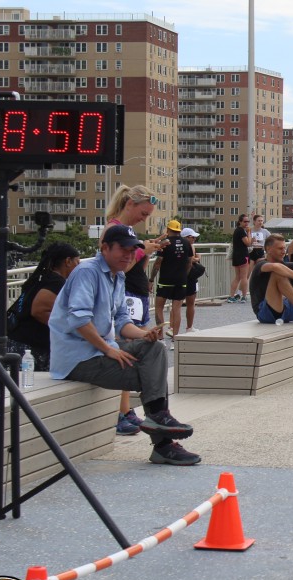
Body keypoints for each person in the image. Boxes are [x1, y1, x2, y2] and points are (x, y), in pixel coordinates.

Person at [49, 224, 201, 465]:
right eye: (123, 249)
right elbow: (79, 320)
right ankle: (162, 442)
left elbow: (121, 321)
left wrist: (143, 334)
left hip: (101, 349)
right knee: (151, 376)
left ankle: (159, 421)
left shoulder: (118, 276)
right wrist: (109, 349)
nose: (129, 255)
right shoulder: (86, 272)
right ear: (105, 248)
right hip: (77, 358)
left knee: (155, 348)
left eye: (133, 250)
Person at [105, 185, 168, 436]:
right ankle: (122, 412)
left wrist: (145, 251)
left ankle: (129, 409)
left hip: (136, 295)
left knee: (142, 348)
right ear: (129, 204)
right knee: (127, 351)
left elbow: (133, 264)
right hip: (127, 297)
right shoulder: (114, 229)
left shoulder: (128, 230)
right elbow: (120, 268)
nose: (144, 219)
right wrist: (144, 250)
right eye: (143, 214)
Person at [6, 242, 81, 371]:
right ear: (68, 261)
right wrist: (69, 328)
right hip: (30, 346)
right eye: (77, 263)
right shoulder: (56, 282)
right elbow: (39, 311)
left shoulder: (41, 278)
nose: (78, 267)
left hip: (16, 340)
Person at [150, 220, 192, 341]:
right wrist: (185, 276)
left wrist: (151, 279)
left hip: (165, 280)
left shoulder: (165, 243)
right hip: (181, 280)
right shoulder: (186, 243)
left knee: (159, 307)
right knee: (176, 309)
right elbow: (189, 262)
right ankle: (175, 338)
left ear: (168, 230)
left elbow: (158, 263)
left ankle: (161, 336)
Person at [181, 227, 203, 333]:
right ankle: (189, 327)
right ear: (186, 237)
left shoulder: (178, 245)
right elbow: (190, 260)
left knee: (177, 303)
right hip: (188, 277)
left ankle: (173, 328)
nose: (194, 239)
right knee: (189, 303)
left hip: (180, 275)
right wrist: (198, 258)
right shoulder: (188, 246)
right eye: (192, 237)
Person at [227, 213, 250, 302]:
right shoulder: (241, 231)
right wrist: (249, 233)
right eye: (245, 221)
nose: (247, 223)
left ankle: (231, 296)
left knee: (237, 277)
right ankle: (243, 296)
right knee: (244, 277)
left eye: (248, 221)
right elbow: (248, 243)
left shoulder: (236, 230)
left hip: (236, 256)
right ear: (240, 222)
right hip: (243, 255)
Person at [247, 214, 271, 278]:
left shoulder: (265, 231)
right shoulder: (249, 231)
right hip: (251, 251)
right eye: (259, 221)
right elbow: (246, 242)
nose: (260, 222)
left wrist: (266, 247)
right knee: (248, 273)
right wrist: (251, 241)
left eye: (261, 221)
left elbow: (272, 239)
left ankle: (258, 283)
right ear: (254, 221)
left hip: (260, 251)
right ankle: (245, 283)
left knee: (260, 272)